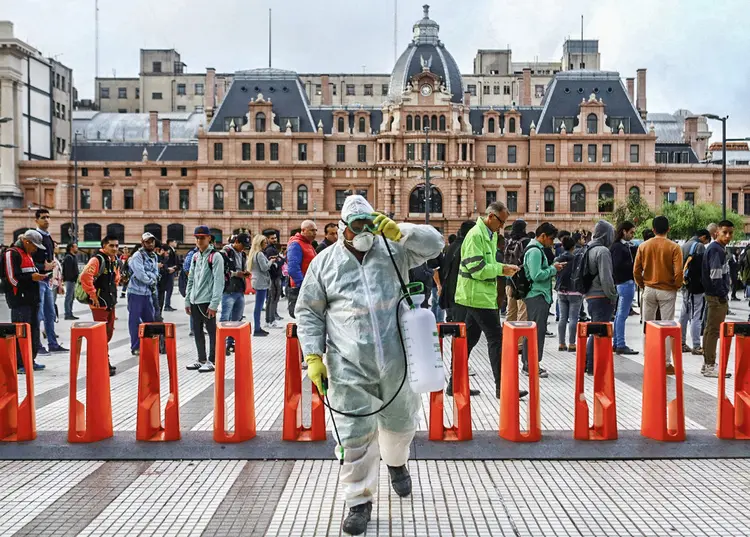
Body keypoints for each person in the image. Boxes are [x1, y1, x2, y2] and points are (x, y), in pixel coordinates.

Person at [295, 195, 444, 536]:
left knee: (401, 424)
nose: (363, 231)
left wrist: (399, 231)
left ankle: (396, 463)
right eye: (357, 226)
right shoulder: (324, 264)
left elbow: (435, 244)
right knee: (353, 435)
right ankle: (358, 501)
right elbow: (309, 312)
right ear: (342, 229)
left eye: (369, 224)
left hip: (397, 359)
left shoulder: (392, 250)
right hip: (348, 364)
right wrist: (313, 356)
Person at [455, 202, 525, 399]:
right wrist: (501, 269)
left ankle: (454, 384)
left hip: (479, 295)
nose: (502, 226)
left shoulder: (490, 235)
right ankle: (503, 387)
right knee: (496, 339)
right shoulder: (476, 235)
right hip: (476, 296)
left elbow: (489, 264)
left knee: (468, 341)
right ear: (491, 217)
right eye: (501, 221)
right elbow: (477, 269)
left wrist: (502, 267)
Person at [633, 216, 683, 374]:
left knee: (647, 326)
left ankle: (649, 360)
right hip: (667, 290)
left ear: (653, 229)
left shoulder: (643, 246)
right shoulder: (674, 247)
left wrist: (642, 284)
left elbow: (636, 270)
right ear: (668, 229)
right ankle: (666, 363)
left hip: (648, 289)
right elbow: (679, 272)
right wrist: (676, 285)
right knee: (667, 326)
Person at [522, 222, 564, 378]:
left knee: (533, 331)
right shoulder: (535, 252)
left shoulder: (538, 250)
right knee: (536, 332)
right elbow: (536, 275)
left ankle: (529, 363)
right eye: (551, 239)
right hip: (536, 295)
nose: (552, 242)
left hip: (538, 295)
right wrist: (554, 269)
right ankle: (532, 364)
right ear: (543, 236)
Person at [3, 230, 49, 372]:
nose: (35, 249)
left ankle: (30, 359)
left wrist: (39, 276)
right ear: (26, 242)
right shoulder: (12, 253)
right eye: (34, 246)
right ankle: (19, 363)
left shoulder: (28, 254)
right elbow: (11, 279)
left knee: (32, 330)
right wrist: (32, 278)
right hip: (19, 300)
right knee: (20, 332)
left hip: (32, 300)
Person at [185, 226, 225, 372]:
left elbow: (219, 281)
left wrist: (214, 304)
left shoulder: (215, 256)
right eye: (197, 237)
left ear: (209, 238)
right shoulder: (195, 257)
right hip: (195, 300)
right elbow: (191, 280)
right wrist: (187, 300)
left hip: (207, 300)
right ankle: (201, 358)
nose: (199, 240)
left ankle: (212, 359)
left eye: (202, 237)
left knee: (211, 330)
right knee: (197, 330)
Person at [80, 235, 120, 376]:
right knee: (100, 336)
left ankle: (103, 361)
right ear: (104, 246)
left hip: (109, 303)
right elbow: (85, 276)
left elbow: (116, 279)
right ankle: (101, 364)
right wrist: (93, 294)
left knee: (107, 334)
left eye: (116, 246)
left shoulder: (114, 261)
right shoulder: (97, 259)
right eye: (111, 246)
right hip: (99, 304)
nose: (115, 248)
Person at [584, 220, 619, 374]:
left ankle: (589, 363)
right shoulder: (603, 251)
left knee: (595, 329)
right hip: (601, 296)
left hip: (591, 295)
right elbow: (606, 278)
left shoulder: (589, 248)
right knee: (599, 332)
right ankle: (593, 366)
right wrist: (613, 295)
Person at [702, 220, 735, 378]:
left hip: (713, 295)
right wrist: (722, 294)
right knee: (713, 330)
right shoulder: (716, 250)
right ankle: (709, 365)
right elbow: (715, 275)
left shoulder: (716, 248)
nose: (728, 236)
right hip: (716, 297)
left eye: (730, 233)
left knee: (710, 330)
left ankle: (707, 363)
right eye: (724, 232)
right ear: (717, 233)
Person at [32, 209, 66, 354]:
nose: (46, 220)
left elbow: (51, 259)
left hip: (47, 280)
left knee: (50, 313)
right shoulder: (35, 236)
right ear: (37, 220)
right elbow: (28, 260)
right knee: (38, 314)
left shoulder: (48, 237)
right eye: (43, 217)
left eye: (48, 217)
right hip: (38, 279)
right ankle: (37, 345)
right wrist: (42, 267)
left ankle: (52, 343)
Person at [127, 234, 159, 356]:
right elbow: (140, 274)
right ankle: (135, 346)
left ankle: (149, 344)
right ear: (142, 243)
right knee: (134, 321)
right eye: (147, 242)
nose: (150, 244)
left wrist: (151, 277)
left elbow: (155, 272)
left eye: (152, 241)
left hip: (148, 292)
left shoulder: (154, 256)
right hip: (135, 292)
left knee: (149, 319)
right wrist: (151, 279)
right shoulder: (137, 256)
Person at [679, 229, 710, 355]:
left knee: (684, 314)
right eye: (707, 240)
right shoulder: (700, 246)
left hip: (685, 284)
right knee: (696, 315)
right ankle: (696, 345)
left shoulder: (684, 245)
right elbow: (702, 269)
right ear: (703, 237)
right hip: (696, 287)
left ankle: (681, 342)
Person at [610, 221, 638, 355]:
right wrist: (633, 267)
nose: (633, 235)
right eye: (631, 232)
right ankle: (620, 343)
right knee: (622, 315)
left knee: (620, 314)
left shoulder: (621, 246)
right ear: (624, 231)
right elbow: (618, 266)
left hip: (622, 283)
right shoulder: (618, 247)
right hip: (625, 282)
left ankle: (617, 342)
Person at [439, 221, 475, 323]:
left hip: (451, 291)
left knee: (457, 325)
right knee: (463, 326)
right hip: (462, 292)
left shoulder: (451, 246)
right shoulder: (466, 247)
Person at [220, 233, 250, 351]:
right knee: (225, 318)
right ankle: (221, 344)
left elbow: (242, 267)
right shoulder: (225, 252)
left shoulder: (242, 254)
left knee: (237, 319)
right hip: (228, 289)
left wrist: (244, 272)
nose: (243, 248)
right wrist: (236, 274)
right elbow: (222, 271)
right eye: (242, 245)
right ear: (236, 241)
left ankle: (230, 343)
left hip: (239, 289)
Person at [555, 236, 582, 352]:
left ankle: (561, 343)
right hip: (575, 291)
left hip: (561, 290)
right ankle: (572, 344)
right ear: (573, 247)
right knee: (573, 318)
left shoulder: (558, 259)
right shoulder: (577, 259)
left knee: (562, 318)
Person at [286, 220, 317, 318]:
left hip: (308, 286)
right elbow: (293, 268)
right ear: (303, 230)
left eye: (315, 230)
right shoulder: (296, 244)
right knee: (303, 318)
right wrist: (303, 286)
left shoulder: (308, 244)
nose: (315, 233)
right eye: (312, 230)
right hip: (301, 288)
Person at [248, 234, 275, 337]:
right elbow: (264, 268)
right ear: (260, 243)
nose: (266, 244)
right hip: (261, 282)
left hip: (257, 281)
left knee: (258, 306)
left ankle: (258, 327)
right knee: (258, 306)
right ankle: (257, 328)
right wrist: (271, 261)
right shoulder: (259, 254)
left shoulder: (253, 253)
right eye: (265, 242)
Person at [504, 219, 530, 322]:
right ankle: (520, 338)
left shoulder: (509, 242)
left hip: (510, 280)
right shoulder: (526, 242)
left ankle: (507, 337)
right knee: (522, 313)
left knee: (510, 311)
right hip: (522, 282)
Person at [263, 231, 284, 328]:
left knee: (272, 299)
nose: (275, 240)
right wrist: (281, 260)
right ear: (267, 239)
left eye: (275, 238)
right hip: (273, 277)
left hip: (274, 277)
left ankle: (269, 320)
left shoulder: (272, 249)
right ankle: (271, 321)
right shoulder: (270, 250)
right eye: (272, 238)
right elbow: (276, 263)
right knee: (273, 299)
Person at [62, 243, 79, 320]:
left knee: (71, 297)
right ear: (71, 248)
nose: (77, 248)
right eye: (75, 247)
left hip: (72, 280)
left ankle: (70, 313)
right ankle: (67, 314)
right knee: (69, 297)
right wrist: (73, 278)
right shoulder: (69, 257)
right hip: (70, 280)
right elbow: (68, 271)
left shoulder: (72, 256)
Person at [163, 239, 178, 311]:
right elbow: (166, 261)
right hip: (168, 272)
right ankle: (167, 305)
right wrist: (169, 268)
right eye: (175, 242)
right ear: (170, 242)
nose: (176, 243)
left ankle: (167, 304)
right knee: (169, 289)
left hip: (171, 270)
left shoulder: (172, 250)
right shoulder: (168, 250)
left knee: (170, 289)